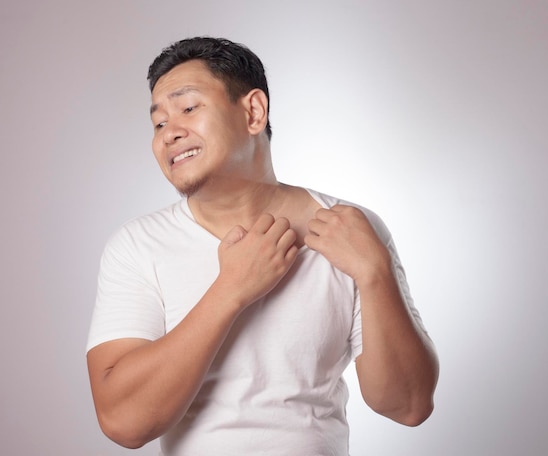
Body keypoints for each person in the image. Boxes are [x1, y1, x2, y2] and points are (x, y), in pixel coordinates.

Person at [86, 36, 439, 455]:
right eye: (158, 123)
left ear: (253, 112)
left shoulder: (352, 230)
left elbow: (408, 405)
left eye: (188, 108)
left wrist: (374, 273)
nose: (169, 134)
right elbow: (123, 422)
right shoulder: (137, 246)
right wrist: (231, 289)